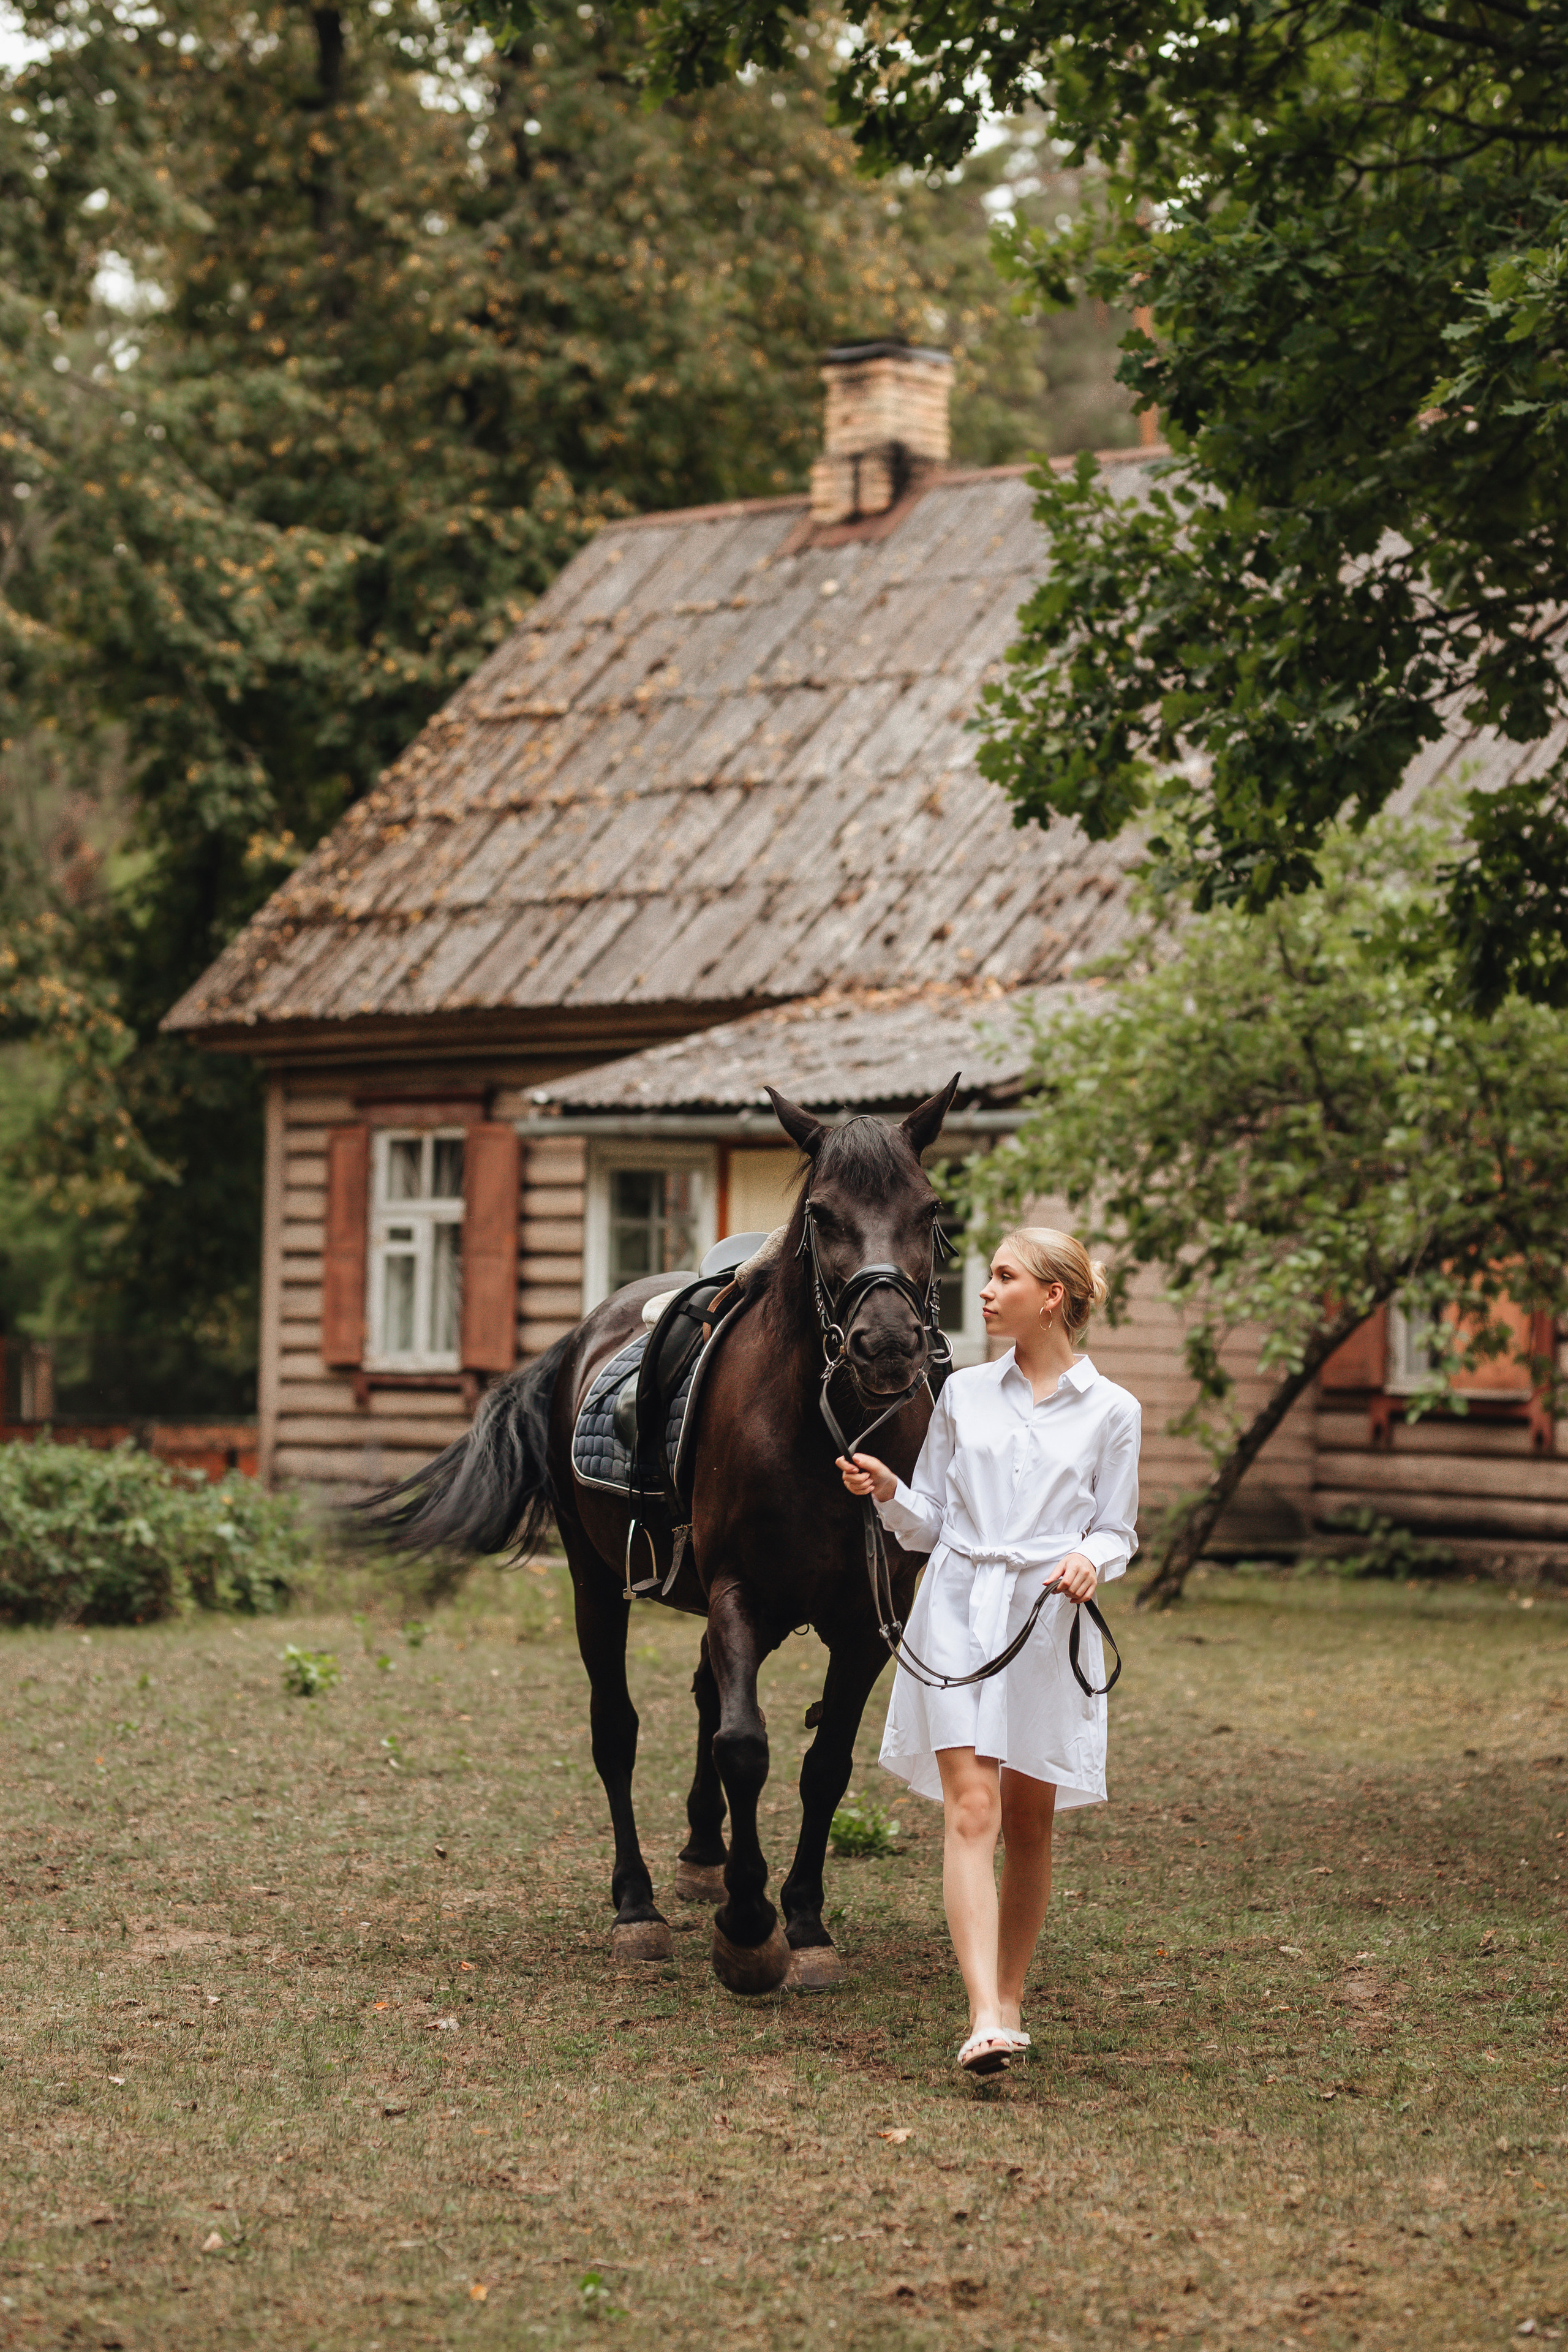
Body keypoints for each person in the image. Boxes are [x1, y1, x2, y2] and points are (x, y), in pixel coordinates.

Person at [838, 1227, 1140, 2076]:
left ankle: (1009, 2000)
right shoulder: (963, 1393)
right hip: (959, 1610)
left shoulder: (1114, 1410)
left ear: (1051, 1296)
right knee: (973, 1809)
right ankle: (980, 2016)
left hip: (1048, 1620)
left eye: (1004, 1276)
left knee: (1032, 1824)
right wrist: (893, 1492)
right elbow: (933, 1519)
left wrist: (1093, 1559)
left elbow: (1118, 1529)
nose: (986, 1287)